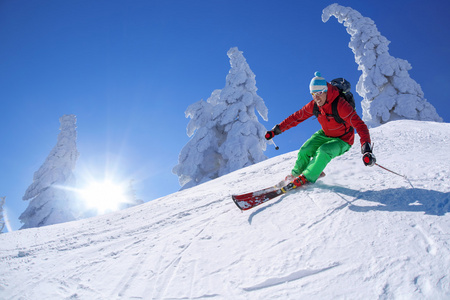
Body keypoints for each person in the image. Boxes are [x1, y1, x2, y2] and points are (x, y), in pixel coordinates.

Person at [265, 72, 376, 188]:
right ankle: (295, 175)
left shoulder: (341, 105)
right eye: (313, 94)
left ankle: (307, 177)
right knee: (305, 150)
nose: (316, 98)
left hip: (343, 139)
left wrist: (366, 148)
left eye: (319, 93)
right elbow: (296, 117)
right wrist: (276, 130)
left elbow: (360, 126)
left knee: (323, 151)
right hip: (325, 134)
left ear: (326, 90)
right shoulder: (314, 105)